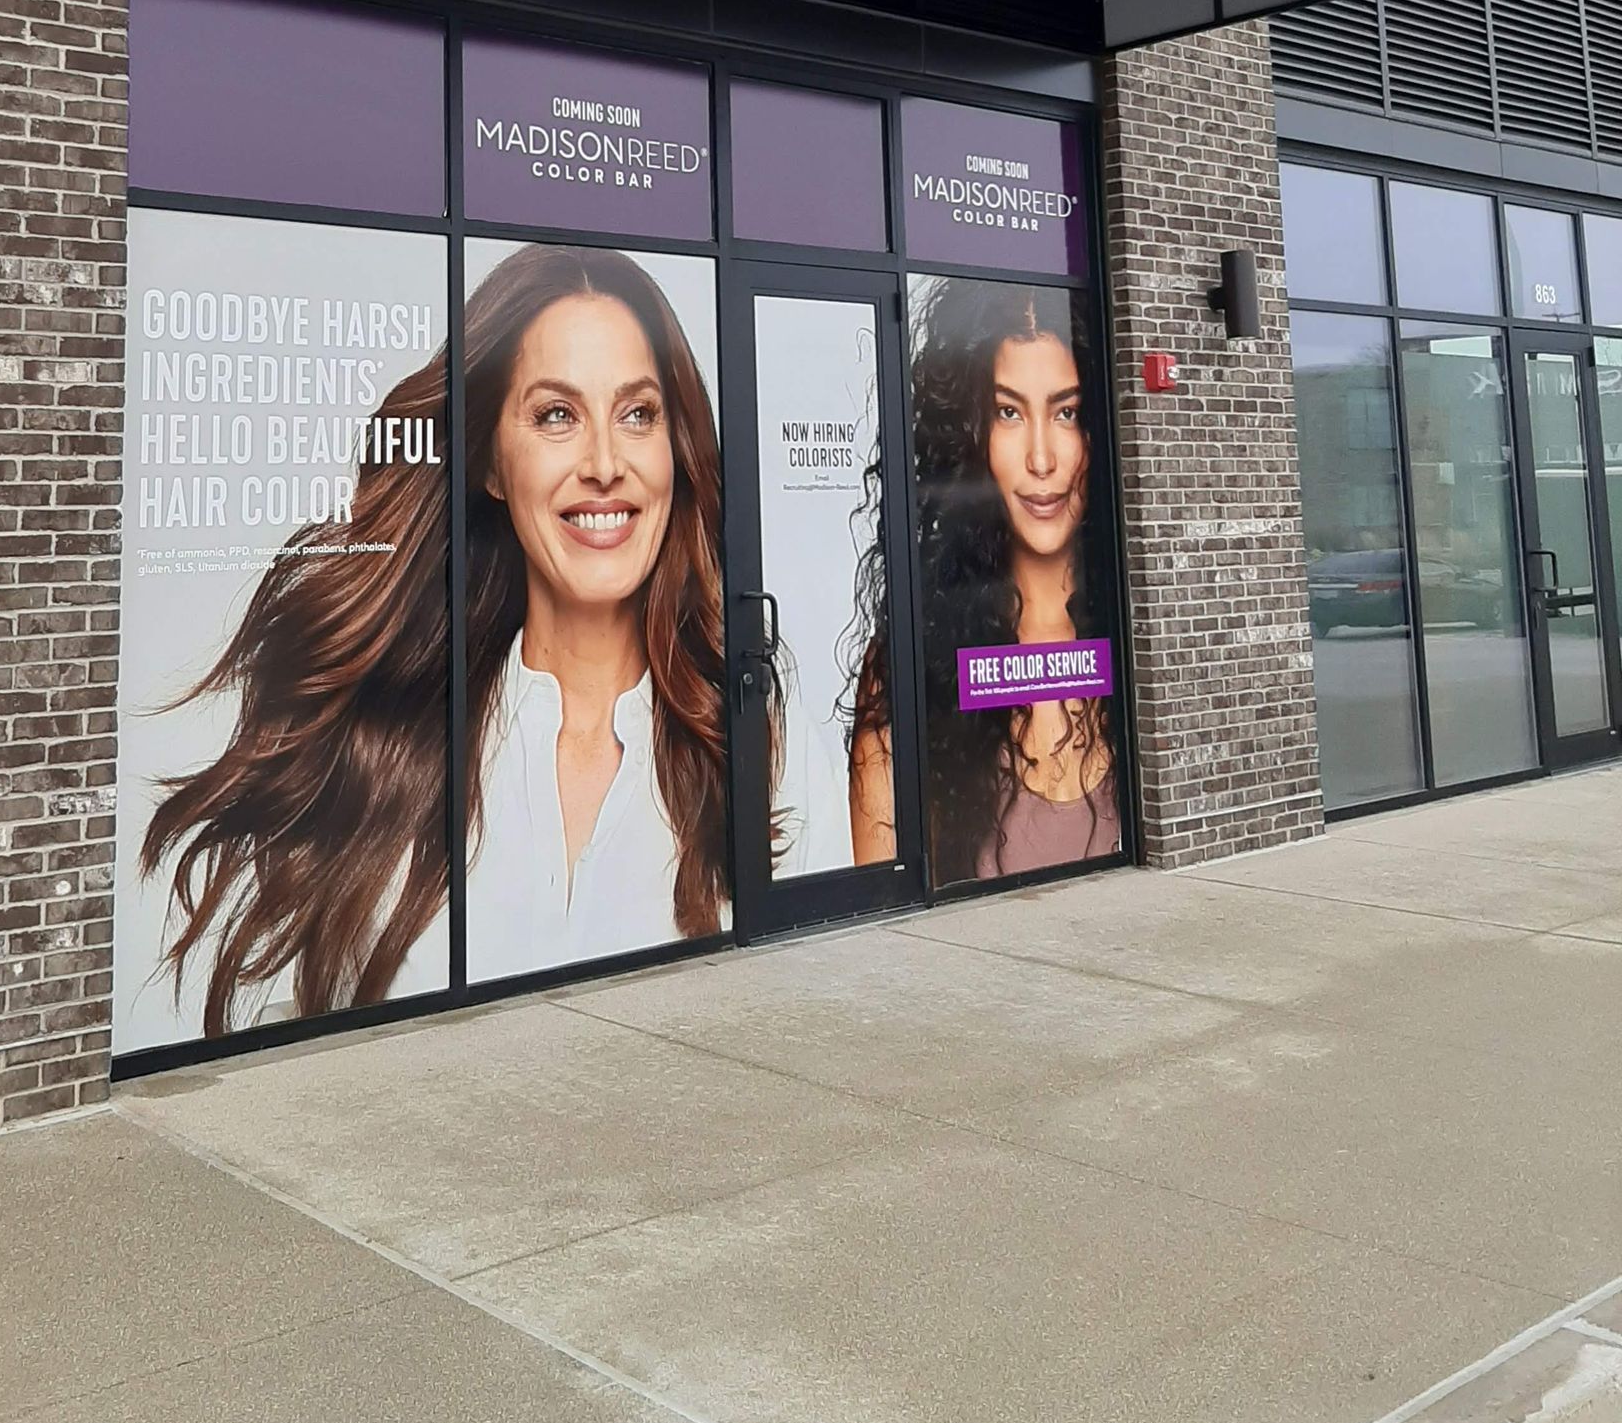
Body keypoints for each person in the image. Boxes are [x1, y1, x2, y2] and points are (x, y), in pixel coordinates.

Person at [144, 242, 828, 1035]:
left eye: (638, 413)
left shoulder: (763, 741)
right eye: (556, 416)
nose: (605, 464)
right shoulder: (391, 752)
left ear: (676, 450)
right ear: (493, 466)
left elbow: (815, 994)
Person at [849, 278, 1117, 882]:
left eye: (1067, 412)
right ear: (971, 436)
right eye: (1009, 412)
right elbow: (883, 918)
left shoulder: (1137, 630)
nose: (1042, 459)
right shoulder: (912, 663)